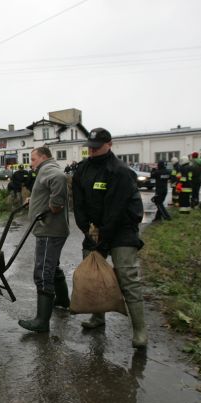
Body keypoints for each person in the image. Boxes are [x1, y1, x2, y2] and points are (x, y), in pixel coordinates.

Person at [72, 127, 148, 348]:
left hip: (121, 231)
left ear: (109, 144)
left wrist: (103, 233)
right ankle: (98, 317)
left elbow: (117, 207)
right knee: (93, 277)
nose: (92, 151)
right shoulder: (82, 170)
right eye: (90, 148)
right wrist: (86, 228)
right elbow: (78, 203)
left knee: (127, 279)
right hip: (94, 230)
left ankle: (140, 331)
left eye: (97, 148)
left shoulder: (120, 171)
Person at [18, 146, 69, 332]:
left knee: (43, 272)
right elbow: (47, 188)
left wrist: (56, 205)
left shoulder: (48, 169)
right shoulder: (45, 169)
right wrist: (35, 200)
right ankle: (63, 300)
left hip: (49, 230)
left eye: (33, 159)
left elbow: (60, 179)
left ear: (43, 157)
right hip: (51, 229)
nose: (30, 163)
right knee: (52, 266)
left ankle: (41, 321)